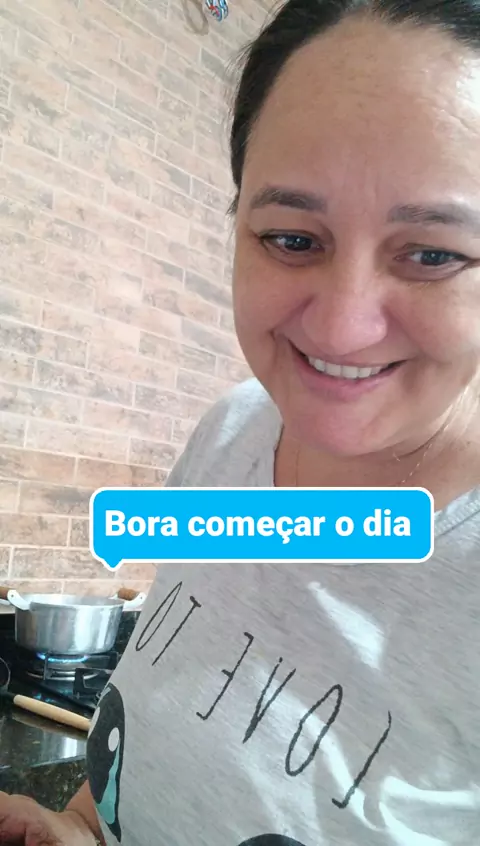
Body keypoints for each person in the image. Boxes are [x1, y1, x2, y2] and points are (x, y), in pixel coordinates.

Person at [2, 0, 480, 842]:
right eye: (292, 239)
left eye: (433, 254)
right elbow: (138, 758)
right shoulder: (233, 432)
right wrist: (79, 828)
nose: (343, 328)